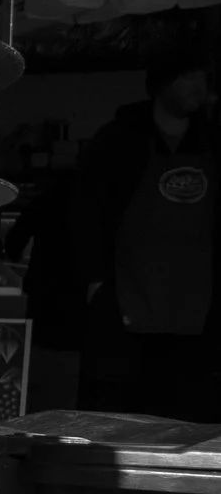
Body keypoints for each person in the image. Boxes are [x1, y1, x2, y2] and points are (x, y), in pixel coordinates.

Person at [71, 50, 218, 420]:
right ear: (160, 86)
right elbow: (86, 211)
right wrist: (96, 280)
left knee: (182, 416)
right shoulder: (119, 139)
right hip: (127, 298)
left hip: (196, 303)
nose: (197, 87)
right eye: (187, 78)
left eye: (201, 78)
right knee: (119, 413)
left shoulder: (214, 142)